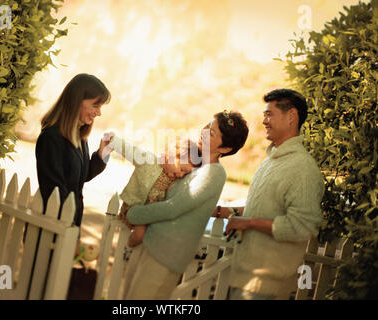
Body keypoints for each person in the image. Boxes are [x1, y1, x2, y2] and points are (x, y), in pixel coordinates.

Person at [122, 110, 249, 300]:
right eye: (207, 126)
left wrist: (133, 214)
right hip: (149, 243)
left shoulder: (214, 173)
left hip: (165, 255)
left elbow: (174, 207)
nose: (204, 132)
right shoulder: (194, 162)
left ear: (225, 149)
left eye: (212, 133)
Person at [213, 89, 324, 300]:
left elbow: (301, 227)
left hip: (265, 288)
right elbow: (263, 208)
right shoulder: (271, 160)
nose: (264, 121)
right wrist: (219, 211)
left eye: (269, 114)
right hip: (244, 278)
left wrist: (249, 223)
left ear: (291, 116)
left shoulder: (303, 169)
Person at [35, 73, 113, 254]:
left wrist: (102, 154)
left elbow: (80, 177)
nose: (99, 112)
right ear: (76, 101)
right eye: (95, 105)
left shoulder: (80, 137)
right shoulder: (51, 138)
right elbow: (55, 189)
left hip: (68, 230)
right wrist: (69, 234)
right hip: (51, 233)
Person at [108, 135, 202, 247]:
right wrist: (112, 140)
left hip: (153, 215)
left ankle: (136, 250)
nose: (181, 175)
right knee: (140, 235)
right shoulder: (150, 161)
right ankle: (127, 248)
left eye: (185, 173)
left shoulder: (177, 180)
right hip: (135, 207)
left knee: (158, 234)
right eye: (182, 169)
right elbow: (131, 151)